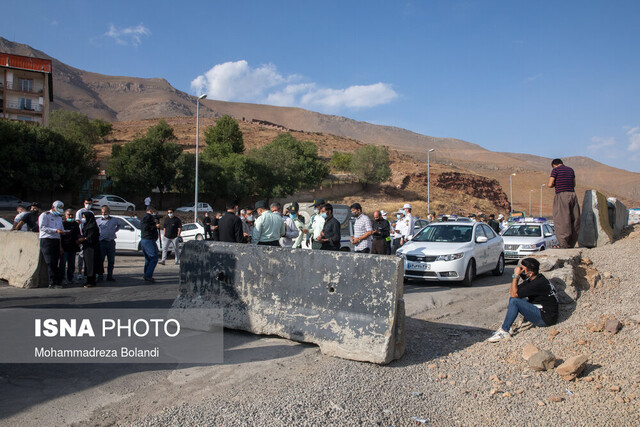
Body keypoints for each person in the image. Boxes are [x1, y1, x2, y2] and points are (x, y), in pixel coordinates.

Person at [488, 258, 559, 342]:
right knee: (514, 298)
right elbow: (512, 292)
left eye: (522, 269)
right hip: (542, 309)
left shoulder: (537, 284)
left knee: (515, 302)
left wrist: (516, 276)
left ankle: (504, 331)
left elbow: (514, 295)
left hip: (546, 318)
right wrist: (516, 277)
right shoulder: (535, 278)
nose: (520, 271)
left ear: (530, 273)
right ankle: (508, 326)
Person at [548, 158, 581, 248]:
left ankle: (564, 244)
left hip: (561, 195)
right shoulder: (570, 170)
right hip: (573, 195)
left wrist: (556, 183)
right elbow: (574, 184)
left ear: (554, 165)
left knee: (562, 220)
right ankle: (572, 242)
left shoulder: (555, 170)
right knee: (574, 218)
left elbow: (550, 184)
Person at [39, 201, 67, 289]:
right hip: (47, 240)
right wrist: (55, 230)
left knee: (55, 262)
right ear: (53, 207)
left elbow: (61, 228)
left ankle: (57, 281)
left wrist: (64, 232)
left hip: (56, 240)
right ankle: (52, 282)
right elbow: (42, 227)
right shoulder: (45, 215)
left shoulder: (58, 217)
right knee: (50, 262)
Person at [96, 206, 121, 281]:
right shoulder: (98, 221)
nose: (104, 214)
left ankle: (109, 276)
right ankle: (100, 275)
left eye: (105, 212)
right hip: (102, 242)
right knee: (101, 260)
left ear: (109, 212)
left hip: (111, 242)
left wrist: (115, 230)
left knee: (111, 260)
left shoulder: (114, 220)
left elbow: (119, 224)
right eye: (102, 212)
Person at [77, 211, 101, 288]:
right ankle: (88, 279)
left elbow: (91, 238)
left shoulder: (92, 226)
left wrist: (83, 239)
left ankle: (92, 281)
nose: (83, 219)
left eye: (84, 217)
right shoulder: (87, 225)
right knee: (88, 265)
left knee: (92, 265)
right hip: (87, 248)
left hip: (92, 248)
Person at [59, 209, 81, 285]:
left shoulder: (75, 224)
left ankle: (70, 278)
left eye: (72, 215)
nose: (71, 216)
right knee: (62, 264)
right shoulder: (62, 224)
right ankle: (62, 279)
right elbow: (60, 237)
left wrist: (79, 240)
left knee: (71, 264)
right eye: (69, 215)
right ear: (65, 216)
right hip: (65, 247)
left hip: (73, 247)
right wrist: (60, 247)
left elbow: (78, 234)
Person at [140, 205, 161, 282]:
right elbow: (146, 227)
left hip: (146, 240)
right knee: (154, 258)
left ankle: (147, 274)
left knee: (148, 259)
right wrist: (155, 226)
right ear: (151, 210)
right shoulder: (148, 217)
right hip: (148, 239)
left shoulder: (145, 217)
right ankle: (148, 275)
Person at [74, 198, 93, 280]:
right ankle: (79, 272)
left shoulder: (91, 212)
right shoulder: (80, 211)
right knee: (81, 256)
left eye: (89, 203)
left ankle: (87, 272)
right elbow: (77, 222)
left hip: (88, 236)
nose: (88, 204)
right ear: (84, 203)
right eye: (87, 203)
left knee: (88, 256)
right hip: (81, 235)